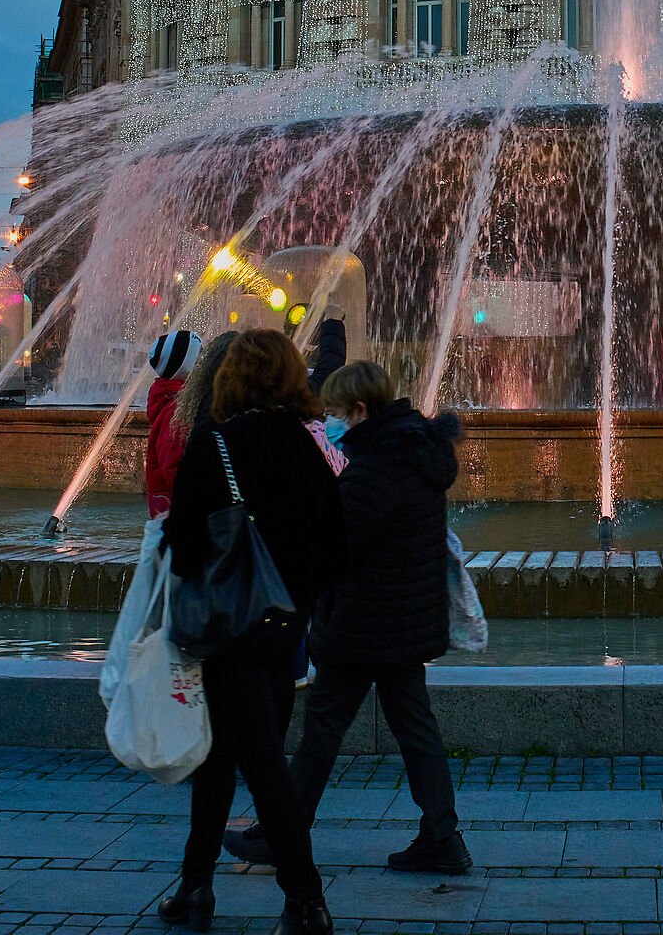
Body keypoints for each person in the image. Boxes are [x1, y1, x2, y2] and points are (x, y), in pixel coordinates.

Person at [231, 359, 469, 876]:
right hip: (402, 618)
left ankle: (281, 833)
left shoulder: (378, 465)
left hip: (366, 621)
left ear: (360, 411)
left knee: (323, 729)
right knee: (414, 727)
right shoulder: (413, 452)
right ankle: (442, 836)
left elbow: (337, 546)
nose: (330, 422)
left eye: (336, 412)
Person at [162, 329, 344, 935]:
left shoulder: (216, 445)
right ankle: (195, 884)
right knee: (220, 757)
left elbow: (182, 545)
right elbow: (335, 544)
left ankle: (305, 898)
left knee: (261, 762)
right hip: (285, 626)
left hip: (229, 628)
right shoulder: (305, 446)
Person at [141, 329, 205, 517]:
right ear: (188, 366)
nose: (204, 361)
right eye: (199, 355)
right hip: (182, 521)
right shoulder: (176, 411)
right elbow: (174, 470)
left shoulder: (181, 402)